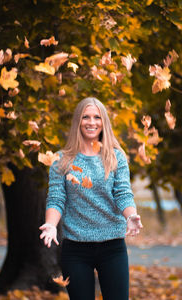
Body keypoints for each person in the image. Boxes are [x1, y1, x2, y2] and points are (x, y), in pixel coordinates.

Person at [39, 97, 143, 300]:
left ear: (103, 122)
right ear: (78, 121)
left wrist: (130, 216)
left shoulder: (115, 157)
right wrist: (51, 225)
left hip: (112, 246)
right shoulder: (61, 160)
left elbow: (122, 193)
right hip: (76, 248)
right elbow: (56, 198)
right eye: (86, 117)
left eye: (97, 117)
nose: (91, 122)